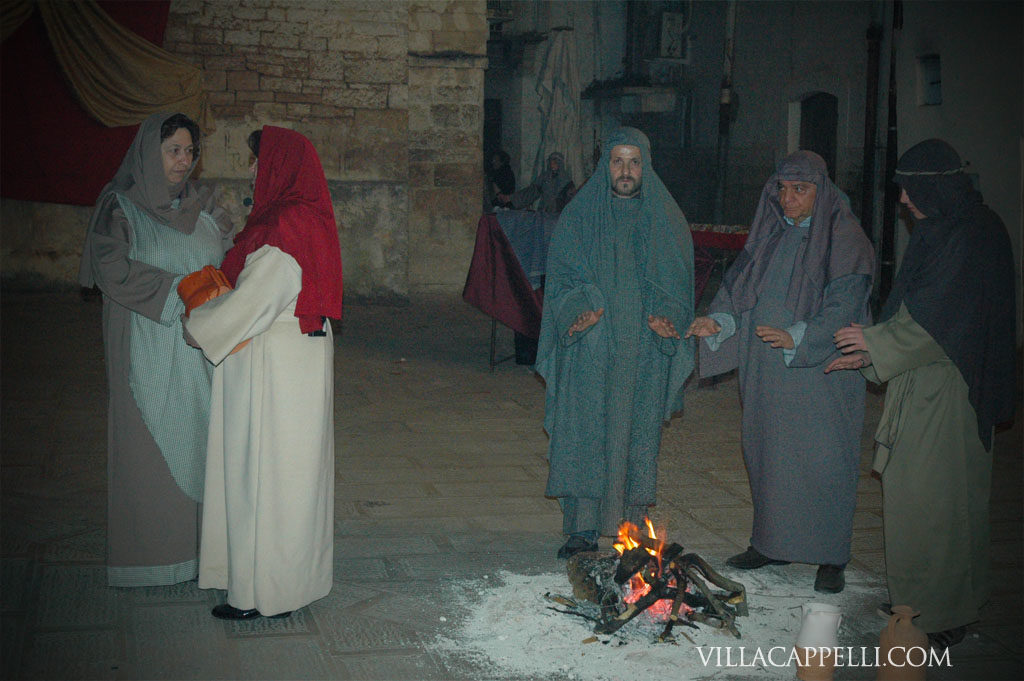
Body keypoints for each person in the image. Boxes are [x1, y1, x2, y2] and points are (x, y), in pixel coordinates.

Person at [829, 139, 1015, 649]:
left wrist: (874, 343)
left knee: (933, 505)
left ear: (934, 186)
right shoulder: (954, 230)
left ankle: (938, 614)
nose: (904, 202)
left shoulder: (969, 236)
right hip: (929, 380)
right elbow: (922, 310)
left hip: (949, 392)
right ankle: (936, 601)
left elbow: (937, 325)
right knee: (933, 502)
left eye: (910, 190)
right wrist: (870, 353)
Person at [686, 150, 874, 593]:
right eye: (783, 189)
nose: (788, 199)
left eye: (800, 190)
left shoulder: (846, 239)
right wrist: (720, 320)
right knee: (768, 455)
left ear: (821, 191)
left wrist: (801, 335)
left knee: (824, 461)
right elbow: (738, 292)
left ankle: (830, 556)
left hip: (820, 374)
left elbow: (845, 305)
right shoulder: (771, 233)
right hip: (767, 371)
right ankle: (771, 543)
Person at [183, 127, 343, 619]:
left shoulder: (285, 228)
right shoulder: (294, 218)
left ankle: (262, 594)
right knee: (286, 481)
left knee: (269, 480)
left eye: (256, 161)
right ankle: (281, 583)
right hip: (287, 363)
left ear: (279, 166)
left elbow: (255, 299)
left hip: (274, 373)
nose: (251, 169)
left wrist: (199, 324)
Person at [78, 111, 233, 586]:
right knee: (151, 448)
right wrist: (182, 291)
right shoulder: (121, 208)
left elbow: (232, 259)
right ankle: (154, 558)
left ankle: (205, 555)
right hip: (146, 344)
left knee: (204, 442)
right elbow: (112, 269)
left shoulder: (206, 208)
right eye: (173, 151)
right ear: (150, 152)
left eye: (190, 152)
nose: (183, 162)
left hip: (199, 352)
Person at [536, 127, 694, 559]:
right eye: (617, 161)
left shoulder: (666, 219)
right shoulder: (579, 216)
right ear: (604, 165)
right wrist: (576, 312)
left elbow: (679, 285)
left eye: (634, 162)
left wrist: (669, 320)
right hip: (591, 347)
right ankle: (582, 528)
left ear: (646, 166)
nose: (625, 171)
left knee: (637, 436)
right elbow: (562, 279)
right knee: (585, 433)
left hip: (642, 352)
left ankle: (633, 530)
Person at [500, 151, 575, 214]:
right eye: (551, 162)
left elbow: (571, 200)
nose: (552, 165)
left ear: (560, 163)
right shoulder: (545, 177)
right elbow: (531, 192)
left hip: (560, 215)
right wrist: (512, 198)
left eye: (555, 162)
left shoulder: (566, 181)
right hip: (545, 214)